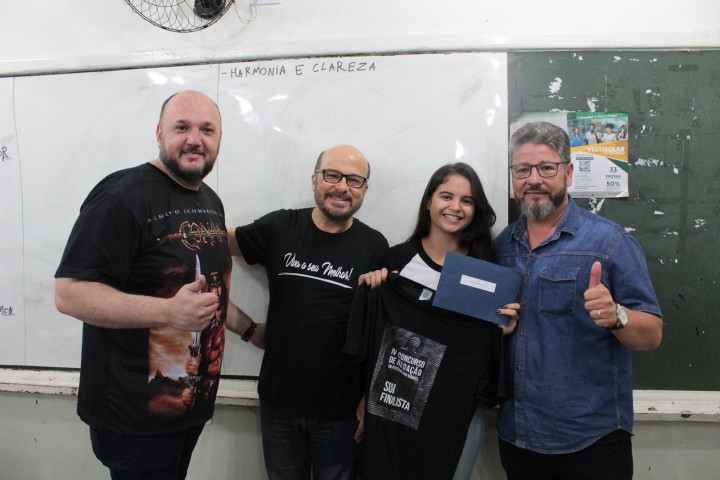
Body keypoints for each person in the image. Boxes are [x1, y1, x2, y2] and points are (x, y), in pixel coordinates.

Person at [54, 91, 261, 479]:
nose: (195, 139)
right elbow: (69, 292)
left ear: (219, 139)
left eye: (207, 130)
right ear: (159, 133)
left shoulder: (210, 202)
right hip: (133, 417)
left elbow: (206, 293)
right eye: (182, 127)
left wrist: (250, 330)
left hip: (189, 407)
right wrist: (168, 312)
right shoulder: (122, 197)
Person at [495, 122, 663, 480]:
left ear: (568, 173)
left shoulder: (610, 243)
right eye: (522, 170)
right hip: (518, 436)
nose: (533, 179)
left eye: (546, 168)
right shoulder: (501, 247)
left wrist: (617, 316)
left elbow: (652, 335)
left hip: (591, 442)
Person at [227, 145, 389, 480]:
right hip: (279, 406)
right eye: (332, 175)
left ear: (364, 189)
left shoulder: (375, 246)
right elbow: (222, 242)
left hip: (342, 412)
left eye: (354, 180)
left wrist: (369, 399)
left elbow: (381, 332)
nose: (342, 187)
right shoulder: (280, 227)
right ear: (314, 179)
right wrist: (179, 227)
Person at [357, 163, 519, 479]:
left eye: (467, 200)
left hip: (455, 411)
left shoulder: (487, 269)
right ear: (429, 200)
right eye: (447, 196)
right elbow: (381, 340)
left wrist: (505, 328)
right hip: (397, 406)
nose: (455, 207)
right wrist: (367, 397)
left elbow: (488, 349)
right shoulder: (397, 261)